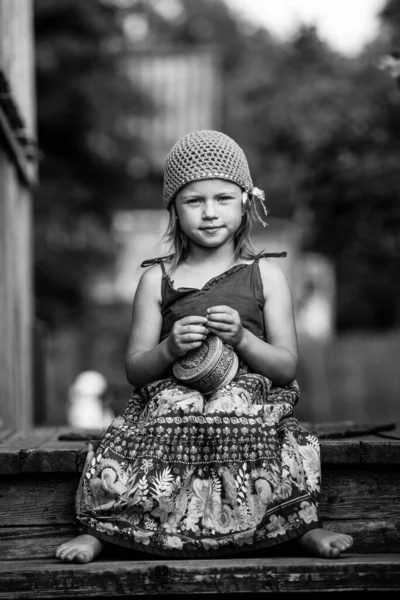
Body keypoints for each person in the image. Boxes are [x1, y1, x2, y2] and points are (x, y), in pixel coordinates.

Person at [55, 130, 353, 564]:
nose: (210, 213)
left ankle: (299, 526)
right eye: (194, 201)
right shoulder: (156, 279)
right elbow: (136, 370)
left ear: (246, 202)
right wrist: (169, 348)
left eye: (223, 199)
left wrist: (242, 339)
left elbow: (286, 368)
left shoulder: (265, 275)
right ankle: (105, 531)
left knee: (256, 425)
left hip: (247, 398)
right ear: (174, 209)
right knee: (153, 427)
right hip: (173, 399)